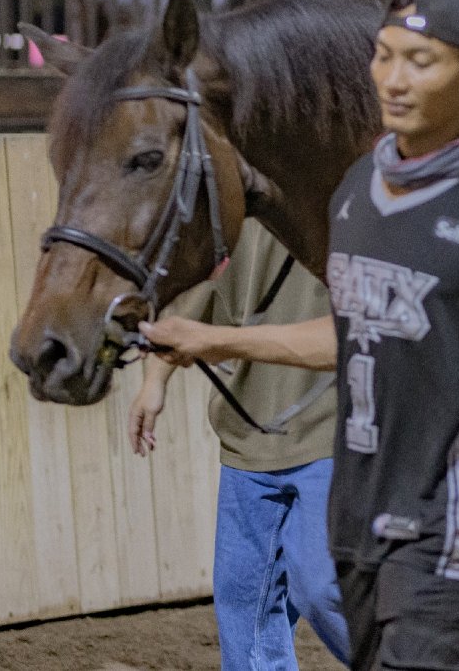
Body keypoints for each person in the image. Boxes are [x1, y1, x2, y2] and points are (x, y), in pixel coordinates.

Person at [141, 0, 459, 671]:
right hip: (358, 522)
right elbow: (358, 329)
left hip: (450, 525)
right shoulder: (357, 192)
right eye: (385, 56)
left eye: (420, 61)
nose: (394, 80)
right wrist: (213, 340)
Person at [129, 225, 350, 671]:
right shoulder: (228, 212)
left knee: (323, 588)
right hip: (248, 434)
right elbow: (192, 293)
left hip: (332, 430)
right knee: (244, 604)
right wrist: (154, 379)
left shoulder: (348, 199)